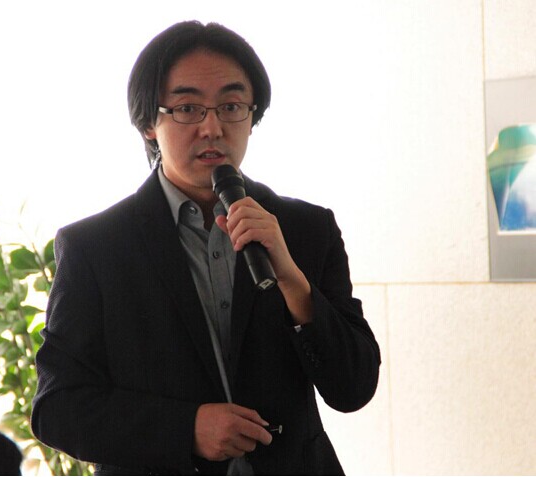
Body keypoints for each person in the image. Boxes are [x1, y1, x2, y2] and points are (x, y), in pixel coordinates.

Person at [31, 20, 381, 475]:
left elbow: (354, 388)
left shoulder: (306, 228)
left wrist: (294, 283)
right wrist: (186, 429)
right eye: (187, 108)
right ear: (148, 123)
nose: (212, 127)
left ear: (252, 116)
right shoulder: (96, 248)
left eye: (231, 106)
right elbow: (58, 407)